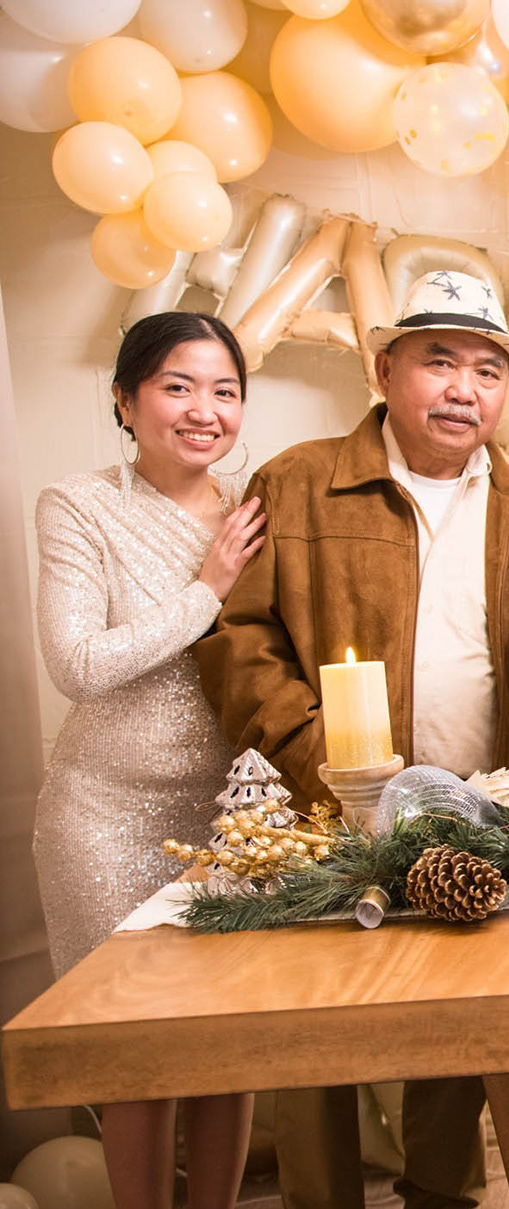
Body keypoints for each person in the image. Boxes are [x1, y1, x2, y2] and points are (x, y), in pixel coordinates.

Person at [196, 272, 509, 1209]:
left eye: (487, 370)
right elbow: (241, 642)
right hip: (333, 804)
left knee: (461, 1028)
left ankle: (441, 1195)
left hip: (485, 808)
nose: (463, 389)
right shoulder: (298, 482)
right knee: (317, 1029)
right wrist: (331, 767)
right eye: (438, 361)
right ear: (383, 370)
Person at [35, 312, 262, 1209]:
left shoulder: (255, 509)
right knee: (134, 1050)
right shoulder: (79, 505)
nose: (204, 409)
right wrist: (207, 590)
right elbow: (78, 664)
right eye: (178, 386)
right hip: (104, 817)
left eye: (225, 390)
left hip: (234, 820)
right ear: (125, 400)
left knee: (226, 1047)